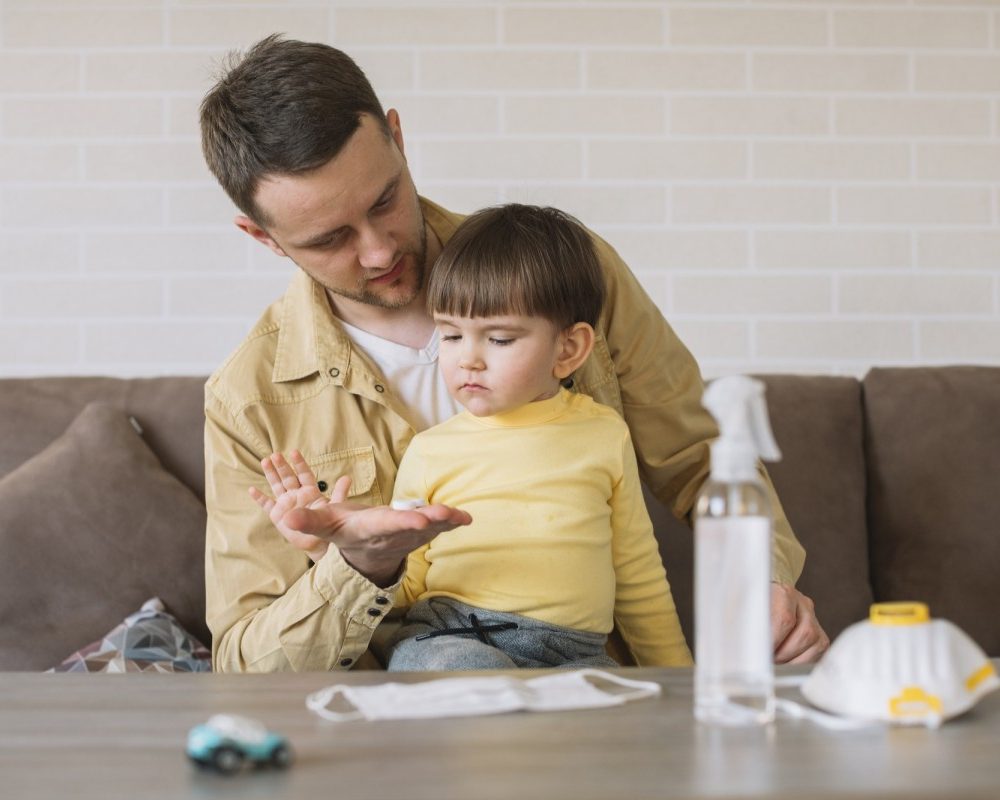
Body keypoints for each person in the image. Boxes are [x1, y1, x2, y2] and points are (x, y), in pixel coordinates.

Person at [199, 34, 829, 673]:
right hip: (409, 716)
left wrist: (765, 583)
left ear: (398, 137)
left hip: (587, 679)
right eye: (331, 238)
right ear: (264, 238)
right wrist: (355, 563)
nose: (379, 252)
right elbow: (244, 665)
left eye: (385, 200)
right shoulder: (248, 400)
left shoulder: (562, 270)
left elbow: (700, 456)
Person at [255, 204, 693, 671]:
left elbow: (636, 571)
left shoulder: (604, 435)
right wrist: (336, 547)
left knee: (614, 707)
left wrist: (678, 679)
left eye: (499, 340)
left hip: (574, 652)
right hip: (450, 634)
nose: (469, 360)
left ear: (568, 350)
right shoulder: (431, 450)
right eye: (450, 336)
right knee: (461, 670)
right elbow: (409, 588)